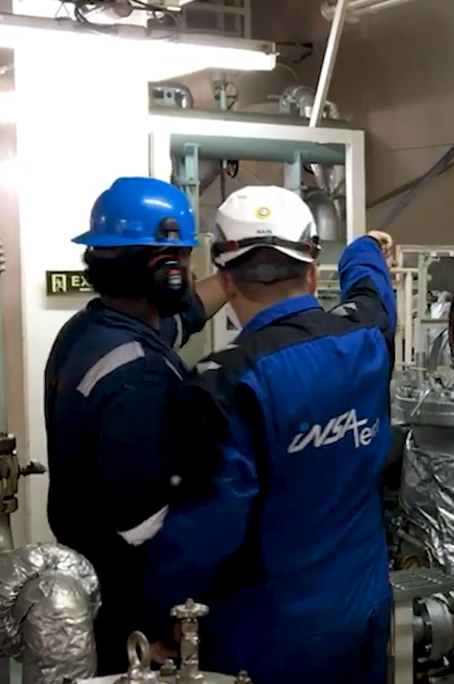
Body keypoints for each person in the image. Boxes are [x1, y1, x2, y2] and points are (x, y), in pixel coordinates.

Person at [139, 184, 397, 684]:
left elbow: (204, 531)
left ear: (226, 281)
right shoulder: (366, 339)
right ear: (312, 271)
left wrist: (160, 618)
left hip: (264, 637)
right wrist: (365, 249)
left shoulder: (221, 385)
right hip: (360, 615)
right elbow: (372, 294)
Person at [43, 176, 230, 674]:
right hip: (132, 606)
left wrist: (234, 277)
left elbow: (182, 317)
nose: (191, 278)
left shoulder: (91, 330)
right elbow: (142, 526)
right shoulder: (139, 378)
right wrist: (165, 621)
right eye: (186, 264)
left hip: (93, 577)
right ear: (164, 271)